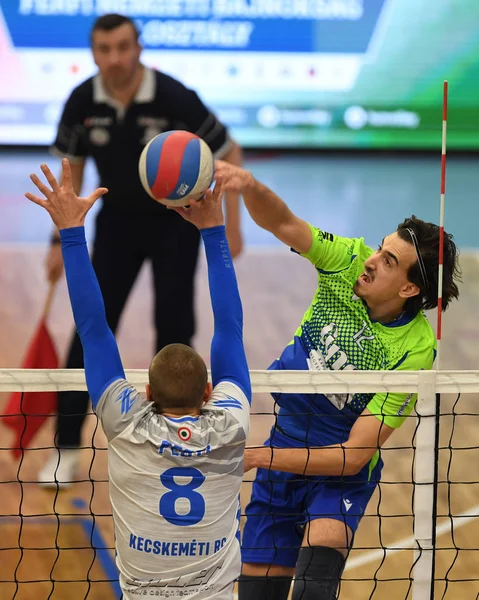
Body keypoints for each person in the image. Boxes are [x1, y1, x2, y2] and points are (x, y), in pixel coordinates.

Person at [213, 161, 461, 600]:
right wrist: (249, 186)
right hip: (285, 443)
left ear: (408, 290)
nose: (370, 261)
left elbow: (351, 458)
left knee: (315, 582)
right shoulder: (346, 260)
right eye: (379, 249)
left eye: (387, 261)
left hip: (337, 474)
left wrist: (256, 456)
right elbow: (284, 222)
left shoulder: (415, 350)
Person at [26, 158, 251, 599]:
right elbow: (229, 328)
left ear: (146, 393)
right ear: (209, 394)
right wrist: (213, 229)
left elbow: (93, 328)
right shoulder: (231, 424)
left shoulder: (128, 424)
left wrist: (71, 232)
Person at [40, 13, 244, 486]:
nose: (114, 58)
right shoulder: (82, 101)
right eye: (104, 49)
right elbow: (70, 167)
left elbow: (231, 152)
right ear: (94, 53)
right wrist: (58, 239)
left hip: (178, 226)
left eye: (123, 47)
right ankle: (66, 447)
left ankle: (177, 438)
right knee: (90, 331)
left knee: (175, 332)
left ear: (139, 48)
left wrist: (233, 227)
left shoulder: (174, 96)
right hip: (117, 227)